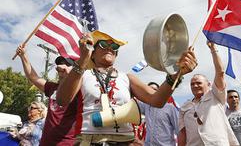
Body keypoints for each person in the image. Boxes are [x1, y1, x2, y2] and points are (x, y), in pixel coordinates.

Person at [56, 30, 197, 145]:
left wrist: (177, 73)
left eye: (115, 47)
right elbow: (62, 100)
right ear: (93, 52)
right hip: (88, 140)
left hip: (124, 141)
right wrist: (82, 60)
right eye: (104, 45)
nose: (110, 49)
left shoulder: (127, 78)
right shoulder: (82, 74)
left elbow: (157, 101)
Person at [177, 42, 239, 146]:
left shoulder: (215, 95)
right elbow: (183, 133)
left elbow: (220, 73)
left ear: (209, 84)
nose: (195, 86)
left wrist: (213, 49)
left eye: (198, 83)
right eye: (192, 84)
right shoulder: (184, 107)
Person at [16, 45, 78, 146]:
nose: (62, 66)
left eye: (67, 64)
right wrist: (23, 56)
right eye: (60, 63)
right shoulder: (52, 88)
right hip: (45, 142)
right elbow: (33, 77)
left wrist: (71, 74)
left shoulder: (79, 90)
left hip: (66, 143)